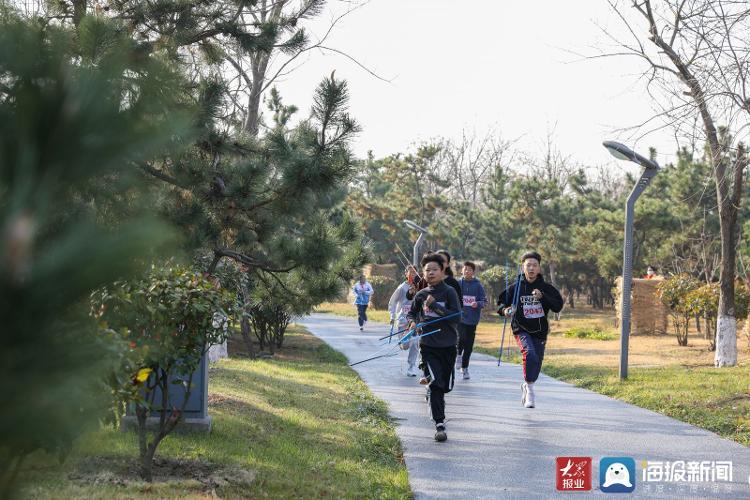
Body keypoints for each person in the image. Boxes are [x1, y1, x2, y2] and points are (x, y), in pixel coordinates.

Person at [497, 251, 563, 408]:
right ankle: (530, 390)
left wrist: (543, 297)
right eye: (528, 265)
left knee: (537, 362)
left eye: (534, 265)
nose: (531, 268)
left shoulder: (546, 288)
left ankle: (528, 384)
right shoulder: (515, 288)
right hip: (521, 328)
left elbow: (557, 306)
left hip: (540, 330)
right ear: (522, 268)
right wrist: (505, 311)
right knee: (529, 354)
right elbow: (501, 305)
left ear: (539, 268)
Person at [407, 253, 461, 442]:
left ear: (442, 270)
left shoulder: (449, 292)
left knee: (443, 386)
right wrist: (413, 323)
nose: (430, 273)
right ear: (423, 273)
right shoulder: (421, 295)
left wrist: (436, 306)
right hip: (428, 346)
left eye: (434, 270)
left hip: (447, 345)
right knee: (436, 383)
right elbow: (412, 314)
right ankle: (439, 424)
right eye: (427, 270)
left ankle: (432, 390)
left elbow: (456, 317)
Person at [388, 265, 421, 376]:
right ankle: (403, 343)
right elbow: (392, 302)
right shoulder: (402, 287)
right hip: (402, 319)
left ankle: (411, 367)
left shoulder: (420, 287)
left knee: (415, 342)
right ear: (406, 273)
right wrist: (392, 316)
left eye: (415, 272)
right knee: (405, 345)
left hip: (414, 321)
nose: (413, 274)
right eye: (410, 272)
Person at [457, 261, 486, 380]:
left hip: (473, 320)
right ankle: (458, 355)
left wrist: (477, 303)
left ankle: (465, 368)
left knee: (469, 345)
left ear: (473, 272)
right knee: (461, 337)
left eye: (470, 269)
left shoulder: (478, 285)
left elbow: (484, 301)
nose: (467, 271)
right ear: (461, 270)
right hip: (460, 317)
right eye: (465, 269)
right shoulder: (458, 283)